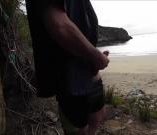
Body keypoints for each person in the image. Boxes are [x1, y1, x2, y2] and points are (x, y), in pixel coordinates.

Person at [25, 0, 109, 135]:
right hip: (69, 79)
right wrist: (95, 56)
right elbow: (59, 25)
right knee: (78, 129)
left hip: (89, 70)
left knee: (98, 115)